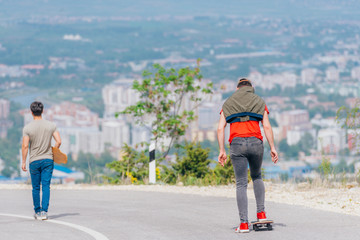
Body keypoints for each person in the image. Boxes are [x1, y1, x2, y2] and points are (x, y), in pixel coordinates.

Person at [217, 78, 279, 233]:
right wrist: (272, 147)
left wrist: (222, 150)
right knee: (257, 176)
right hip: (256, 143)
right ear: (252, 88)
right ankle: (261, 213)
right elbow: (266, 126)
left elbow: (220, 128)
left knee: (241, 183)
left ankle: (244, 224)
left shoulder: (228, 102)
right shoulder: (259, 101)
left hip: (237, 144)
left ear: (237, 88)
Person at [21, 101, 61, 220]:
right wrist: (54, 151)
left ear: (31, 112)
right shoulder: (51, 125)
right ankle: (44, 212)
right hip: (48, 159)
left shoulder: (27, 128)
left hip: (34, 161)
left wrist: (23, 161)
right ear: (42, 111)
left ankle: (37, 211)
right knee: (46, 186)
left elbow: (25, 146)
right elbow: (59, 141)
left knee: (36, 187)